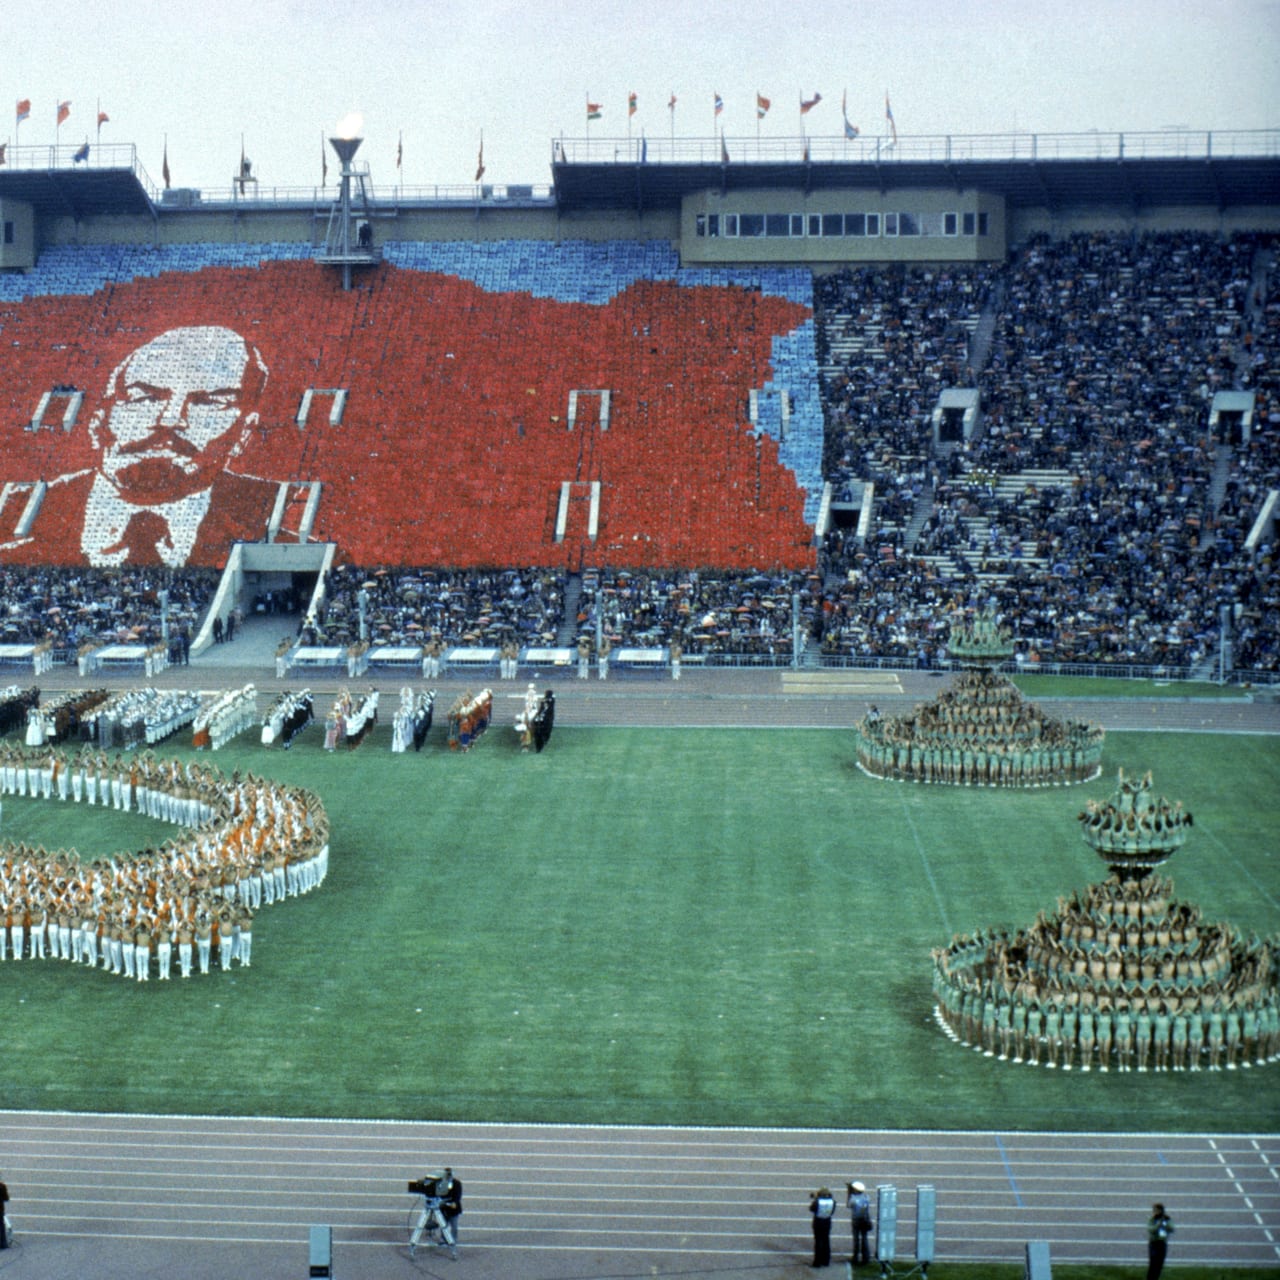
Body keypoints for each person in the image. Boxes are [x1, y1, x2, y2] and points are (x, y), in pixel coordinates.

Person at [4, 325, 278, 567]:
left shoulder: (275, 520)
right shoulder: (18, 520)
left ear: (244, 432)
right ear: (100, 418)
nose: (170, 419)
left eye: (209, 403)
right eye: (144, 397)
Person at [846, 1180, 873, 1265]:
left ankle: (855, 1258)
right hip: (865, 1219)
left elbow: (848, 1205)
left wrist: (849, 1194)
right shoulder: (867, 1197)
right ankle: (866, 1258)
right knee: (864, 1238)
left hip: (856, 1220)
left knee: (856, 1239)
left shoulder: (853, 1199)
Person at [809, 1186, 836, 1267]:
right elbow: (832, 1211)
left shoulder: (817, 1202)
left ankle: (817, 1262)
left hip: (818, 1222)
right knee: (826, 1241)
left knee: (818, 1242)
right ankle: (826, 1260)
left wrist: (815, 1199)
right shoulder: (833, 1202)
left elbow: (811, 1209)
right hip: (827, 1222)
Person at [1147, 1203, 1174, 1280]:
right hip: (1154, 1243)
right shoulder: (1152, 1219)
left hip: (1162, 1243)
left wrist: (1165, 1224)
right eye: (1154, 1210)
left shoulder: (1167, 1219)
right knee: (1153, 1263)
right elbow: (1150, 1229)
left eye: (1157, 1210)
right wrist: (1158, 1225)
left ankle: (1156, 1278)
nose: (1155, 1212)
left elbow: (1172, 1228)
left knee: (1160, 1263)